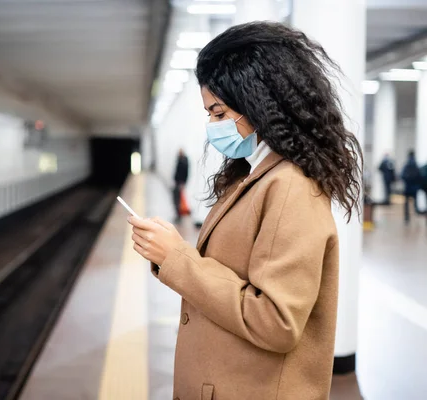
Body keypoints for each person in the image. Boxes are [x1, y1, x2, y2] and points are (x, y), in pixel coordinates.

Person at [128, 22, 362, 400]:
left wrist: (177, 258)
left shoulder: (289, 188)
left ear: (261, 103)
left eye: (219, 113)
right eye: (209, 114)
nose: (211, 126)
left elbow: (277, 321)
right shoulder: (256, 176)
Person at [401, 150, 422, 223]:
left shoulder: (406, 165)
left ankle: (407, 216)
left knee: (406, 202)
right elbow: (420, 176)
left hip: (407, 187)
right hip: (415, 187)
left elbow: (402, 175)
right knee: (415, 202)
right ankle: (416, 213)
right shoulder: (416, 165)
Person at [172, 149, 189, 223]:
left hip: (180, 183)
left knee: (177, 199)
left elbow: (185, 173)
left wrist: (183, 183)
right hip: (177, 182)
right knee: (176, 199)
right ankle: (178, 215)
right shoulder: (180, 160)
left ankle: (179, 215)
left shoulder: (184, 161)